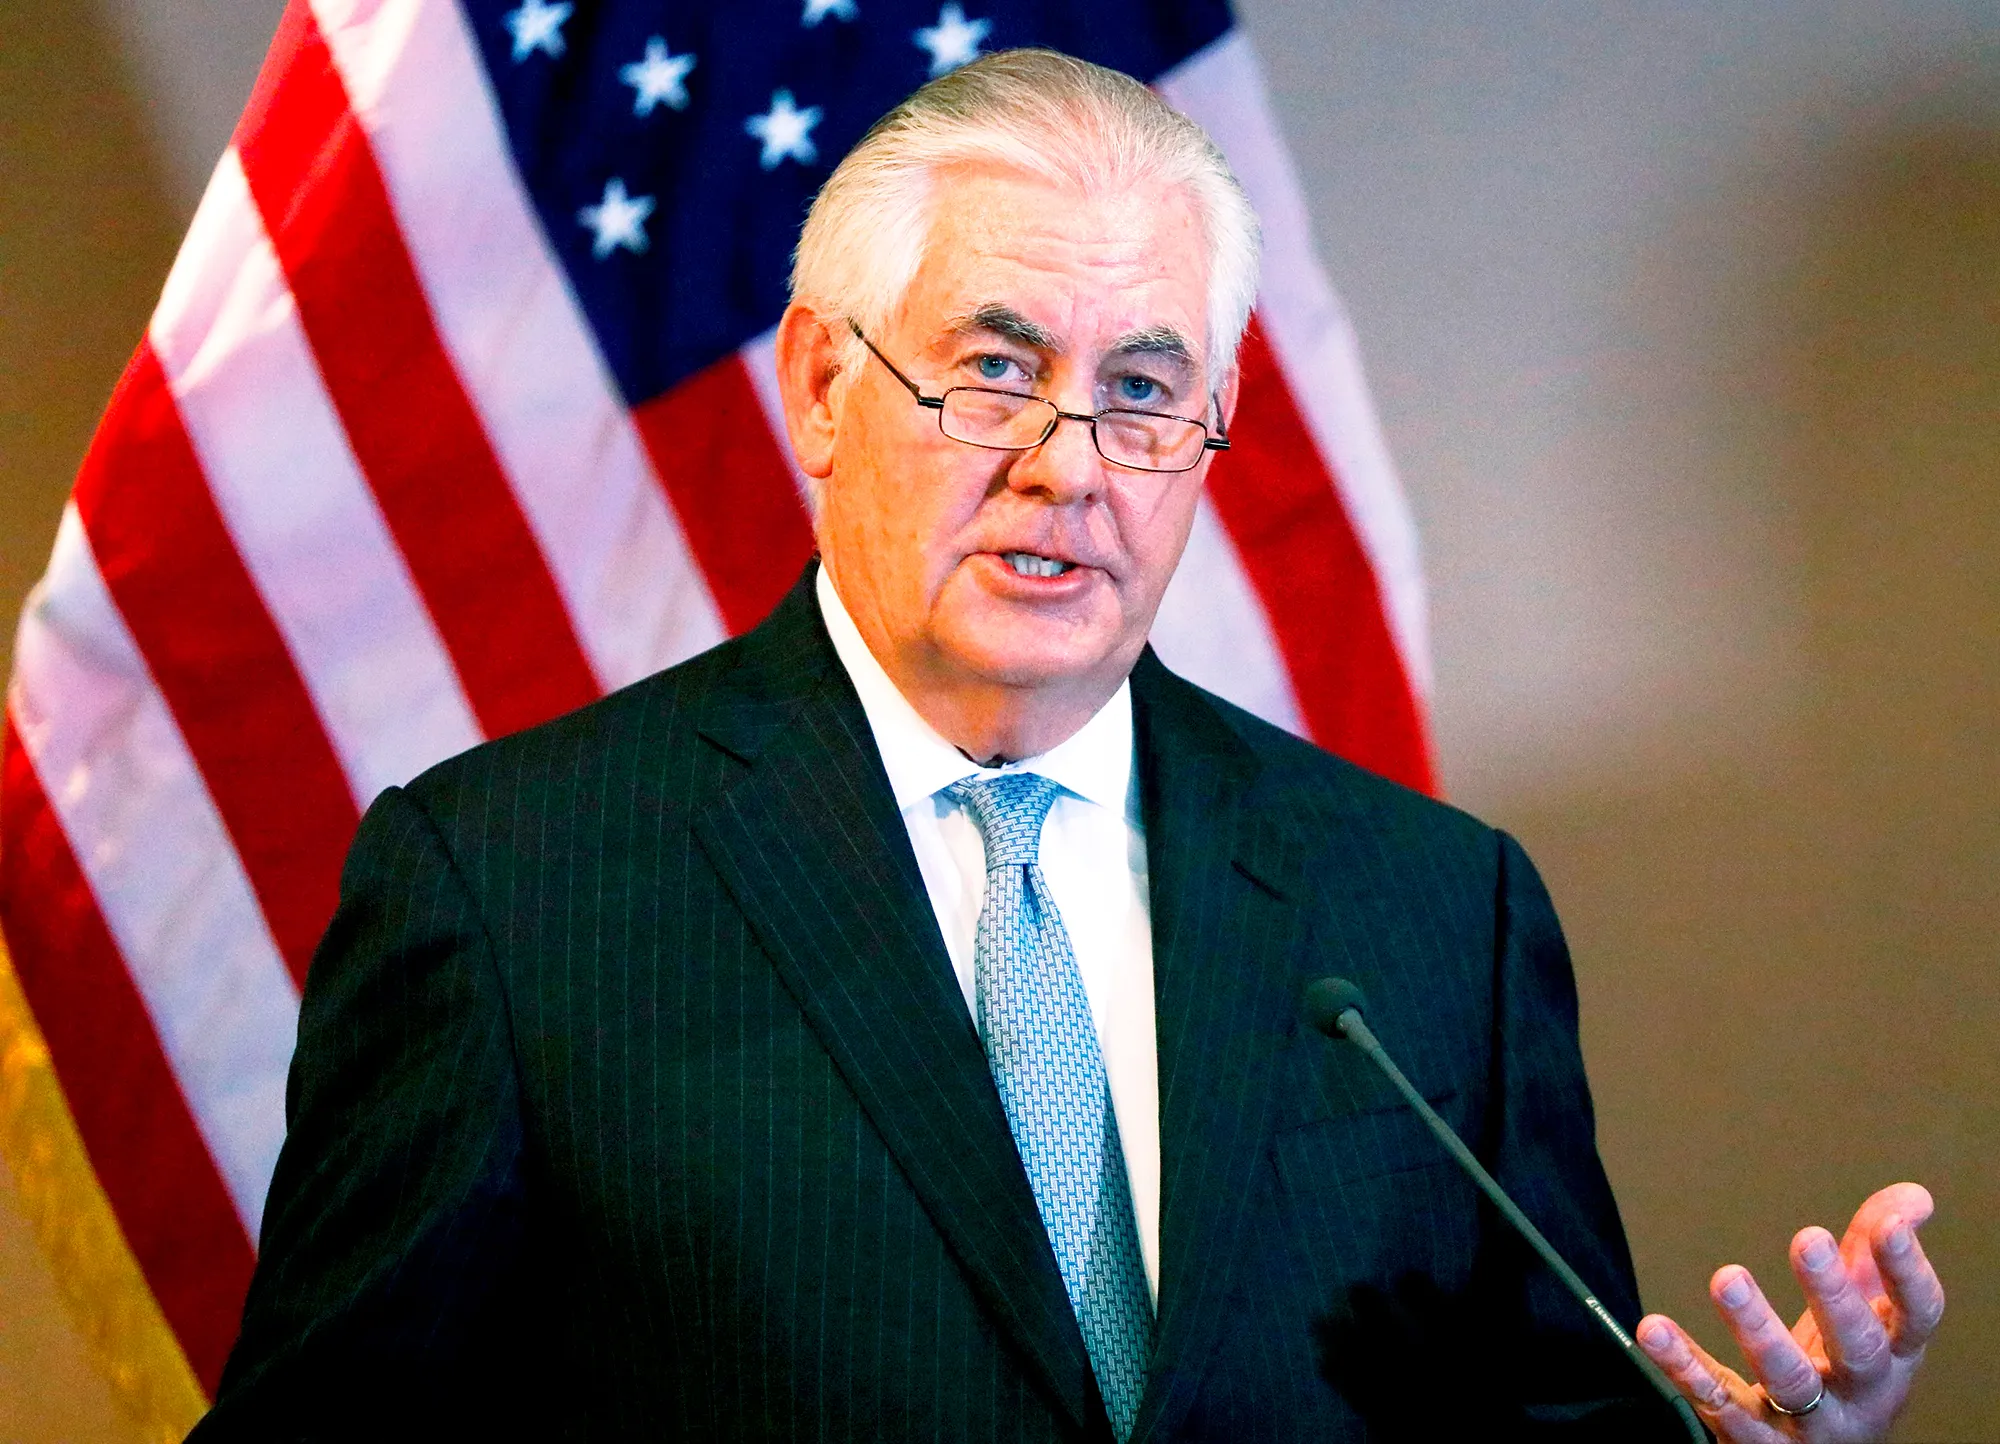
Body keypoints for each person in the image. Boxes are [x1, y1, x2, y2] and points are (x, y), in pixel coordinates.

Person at [189, 49, 1942, 1443]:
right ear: (820, 385)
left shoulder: (1432, 912)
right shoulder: (511, 895)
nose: (1069, 460)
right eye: (994, 367)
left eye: (1146, 388)